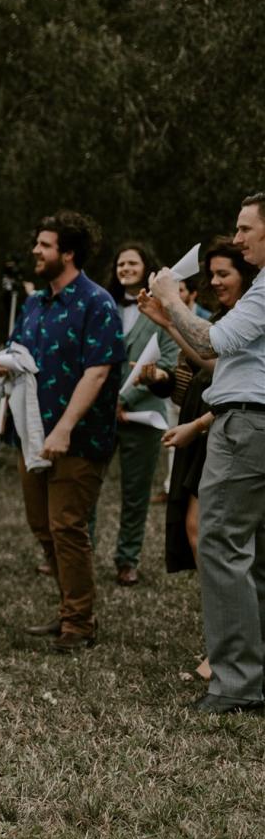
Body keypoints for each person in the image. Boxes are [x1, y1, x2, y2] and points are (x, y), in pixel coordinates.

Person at [143, 193, 265, 713]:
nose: (236, 239)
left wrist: (173, 298)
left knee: (220, 545)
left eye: (245, 229)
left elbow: (214, 345)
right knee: (253, 553)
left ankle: (236, 684)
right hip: (245, 420)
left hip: (245, 428)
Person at [0, 212, 124, 653]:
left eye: (44, 245)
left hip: (78, 438)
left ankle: (80, 624)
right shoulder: (34, 303)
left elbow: (99, 371)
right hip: (31, 431)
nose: (35, 251)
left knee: (67, 526)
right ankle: (69, 606)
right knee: (41, 525)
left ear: (68, 253)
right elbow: (18, 351)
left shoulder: (96, 302)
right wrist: (0, 361)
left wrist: (65, 428)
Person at [90, 243, 179, 587]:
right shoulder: (101, 306)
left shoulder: (164, 311)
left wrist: (124, 399)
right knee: (88, 487)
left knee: (136, 491)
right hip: (99, 413)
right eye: (120, 263)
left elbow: (168, 364)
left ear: (147, 268)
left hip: (142, 416)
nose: (125, 268)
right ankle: (80, 552)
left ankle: (128, 559)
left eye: (133, 262)